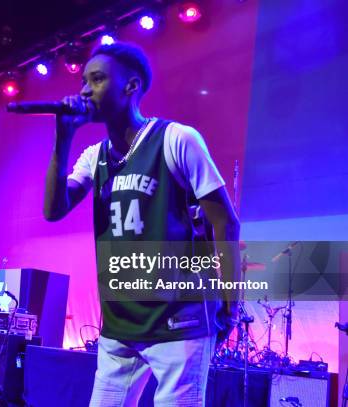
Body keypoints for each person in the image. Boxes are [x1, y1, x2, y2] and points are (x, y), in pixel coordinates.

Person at [43, 42, 240, 406]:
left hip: (179, 322)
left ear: (131, 87)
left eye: (98, 79)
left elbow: (225, 222)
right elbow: (53, 211)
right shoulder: (94, 156)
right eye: (83, 80)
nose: (85, 89)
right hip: (120, 326)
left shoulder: (177, 139)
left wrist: (232, 302)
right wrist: (63, 137)